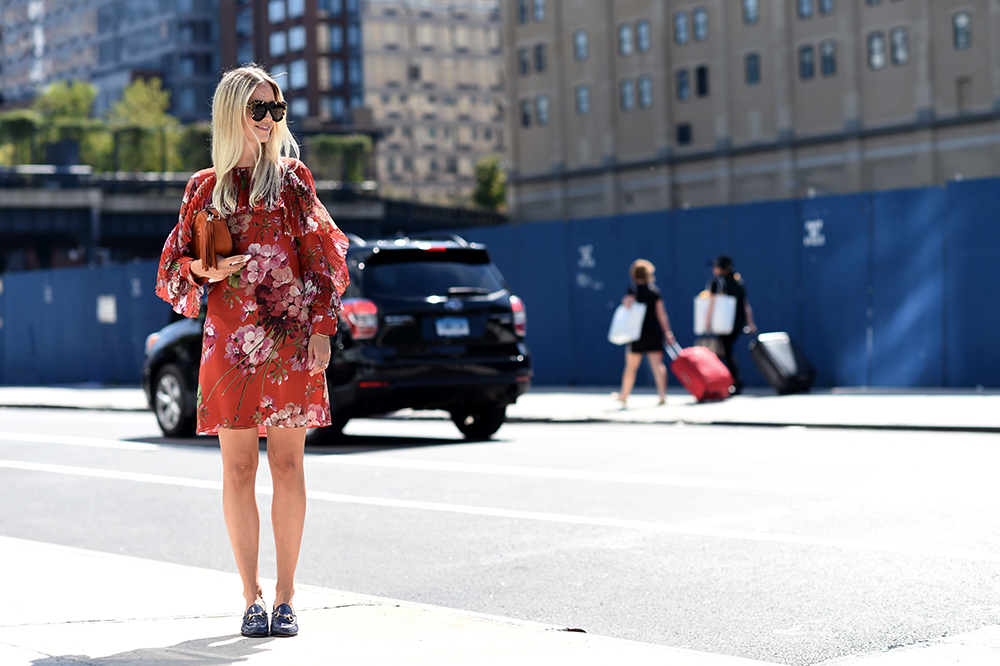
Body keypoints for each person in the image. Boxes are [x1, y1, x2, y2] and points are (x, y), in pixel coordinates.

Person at [154, 66, 350, 638]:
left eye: (276, 110)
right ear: (232, 112)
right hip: (229, 343)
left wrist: (323, 327)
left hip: (290, 340)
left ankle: (287, 594)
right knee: (238, 469)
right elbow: (173, 272)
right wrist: (203, 266)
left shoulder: (292, 180)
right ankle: (251, 595)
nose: (269, 120)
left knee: (287, 465)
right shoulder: (203, 187)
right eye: (258, 109)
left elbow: (320, 258)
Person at [615, 259, 676, 408]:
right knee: (658, 366)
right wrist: (668, 333)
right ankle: (662, 396)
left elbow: (626, 304)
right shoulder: (654, 291)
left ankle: (624, 395)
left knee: (630, 367)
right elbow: (661, 314)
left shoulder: (632, 290)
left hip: (636, 334)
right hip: (654, 332)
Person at [705, 254, 756, 394]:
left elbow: (712, 303)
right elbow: (746, 304)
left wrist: (707, 322)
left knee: (725, 352)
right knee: (726, 351)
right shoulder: (738, 282)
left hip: (724, 323)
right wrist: (750, 322)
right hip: (738, 323)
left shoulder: (718, 282)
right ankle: (733, 381)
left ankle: (733, 381)